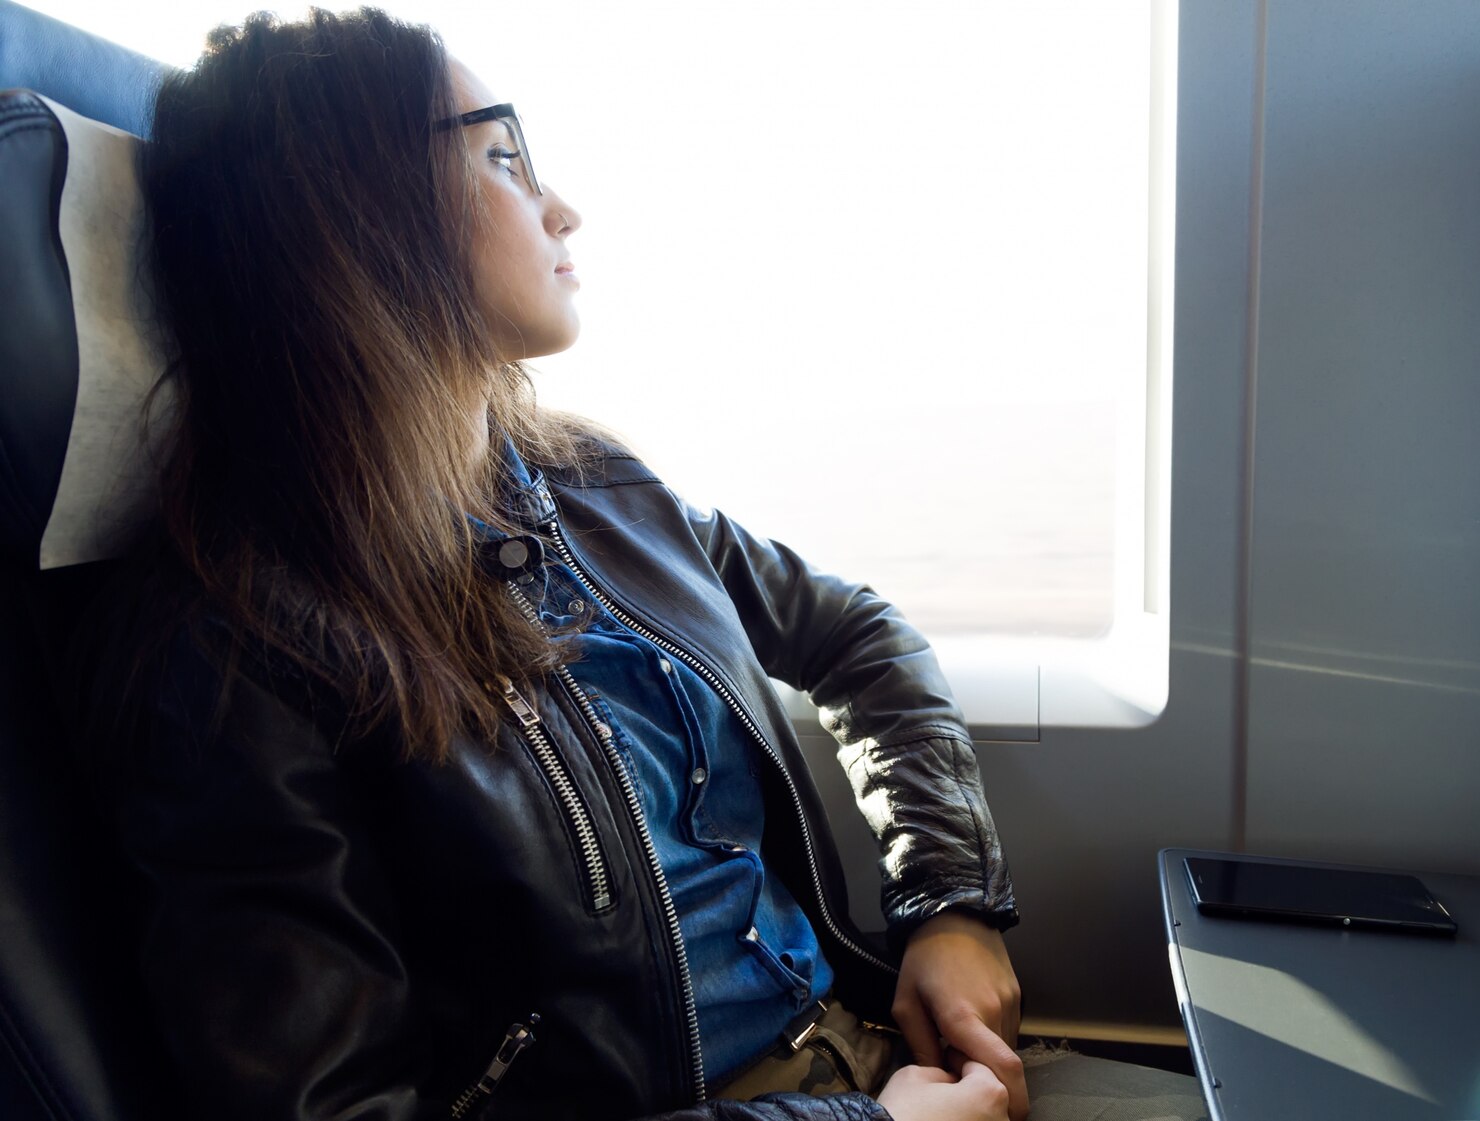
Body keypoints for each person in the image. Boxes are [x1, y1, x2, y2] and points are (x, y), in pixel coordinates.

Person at [93, 7, 1208, 1121]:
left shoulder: (595, 488)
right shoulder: (236, 642)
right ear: (357, 212)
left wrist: (948, 906)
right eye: (502, 152)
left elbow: (859, 636)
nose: (561, 205)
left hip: (867, 1054)